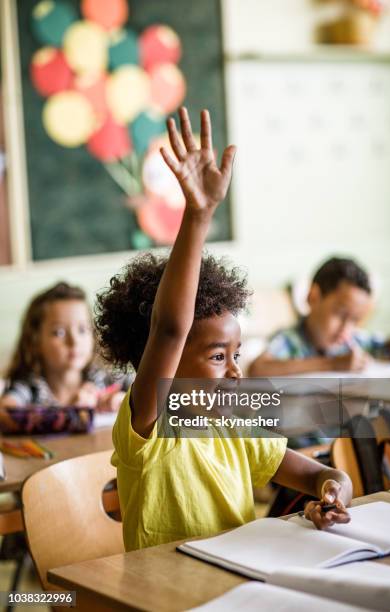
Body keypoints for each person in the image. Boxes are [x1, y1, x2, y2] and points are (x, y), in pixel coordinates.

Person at [96, 107, 352, 552]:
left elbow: (322, 475)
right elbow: (170, 328)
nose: (235, 372)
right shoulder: (149, 425)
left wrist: (333, 493)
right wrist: (199, 213)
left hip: (237, 587)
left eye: (235, 354)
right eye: (218, 356)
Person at [249, 257, 390, 377]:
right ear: (313, 297)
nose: (346, 329)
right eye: (340, 314)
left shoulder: (353, 341)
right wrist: (332, 364)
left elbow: (383, 346)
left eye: (355, 320)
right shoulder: (290, 340)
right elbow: (258, 369)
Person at [0, 282, 128, 410]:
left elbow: (144, 388)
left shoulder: (107, 379)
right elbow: (4, 411)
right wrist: (69, 413)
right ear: (34, 341)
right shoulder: (29, 387)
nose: (74, 341)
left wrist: (123, 400)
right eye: (59, 332)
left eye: (82, 329)